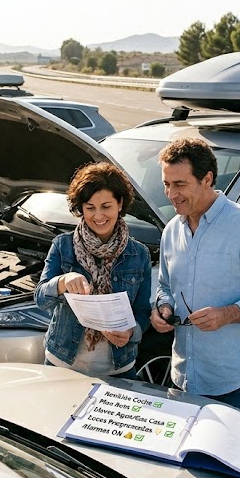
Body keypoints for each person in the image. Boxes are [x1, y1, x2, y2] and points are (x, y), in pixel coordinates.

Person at [149, 138, 240, 414]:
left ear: (207, 179)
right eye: (166, 183)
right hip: (183, 377)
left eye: (180, 184)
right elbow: (165, 286)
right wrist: (162, 307)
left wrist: (226, 315)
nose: (171, 194)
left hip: (233, 383)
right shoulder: (172, 230)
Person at [34, 162, 152, 378]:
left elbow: (143, 311)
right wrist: (62, 282)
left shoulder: (140, 254)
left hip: (119, 369)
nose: (98, 216)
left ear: (120, 203)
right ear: (81, 208)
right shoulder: (63, 245)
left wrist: (131, 331)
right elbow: (40, 298)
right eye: (90, 208)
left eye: (106, 206)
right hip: (62, 363)